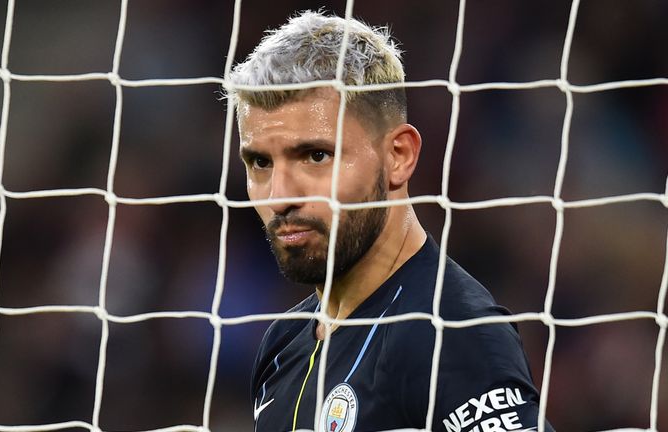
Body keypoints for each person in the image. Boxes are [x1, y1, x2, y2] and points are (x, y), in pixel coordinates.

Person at [228, 10, 554, 432]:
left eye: (315, 156)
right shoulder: (283, 342)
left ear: (398, 156)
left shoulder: (447, 335)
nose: (280, 196)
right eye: (260, 162)